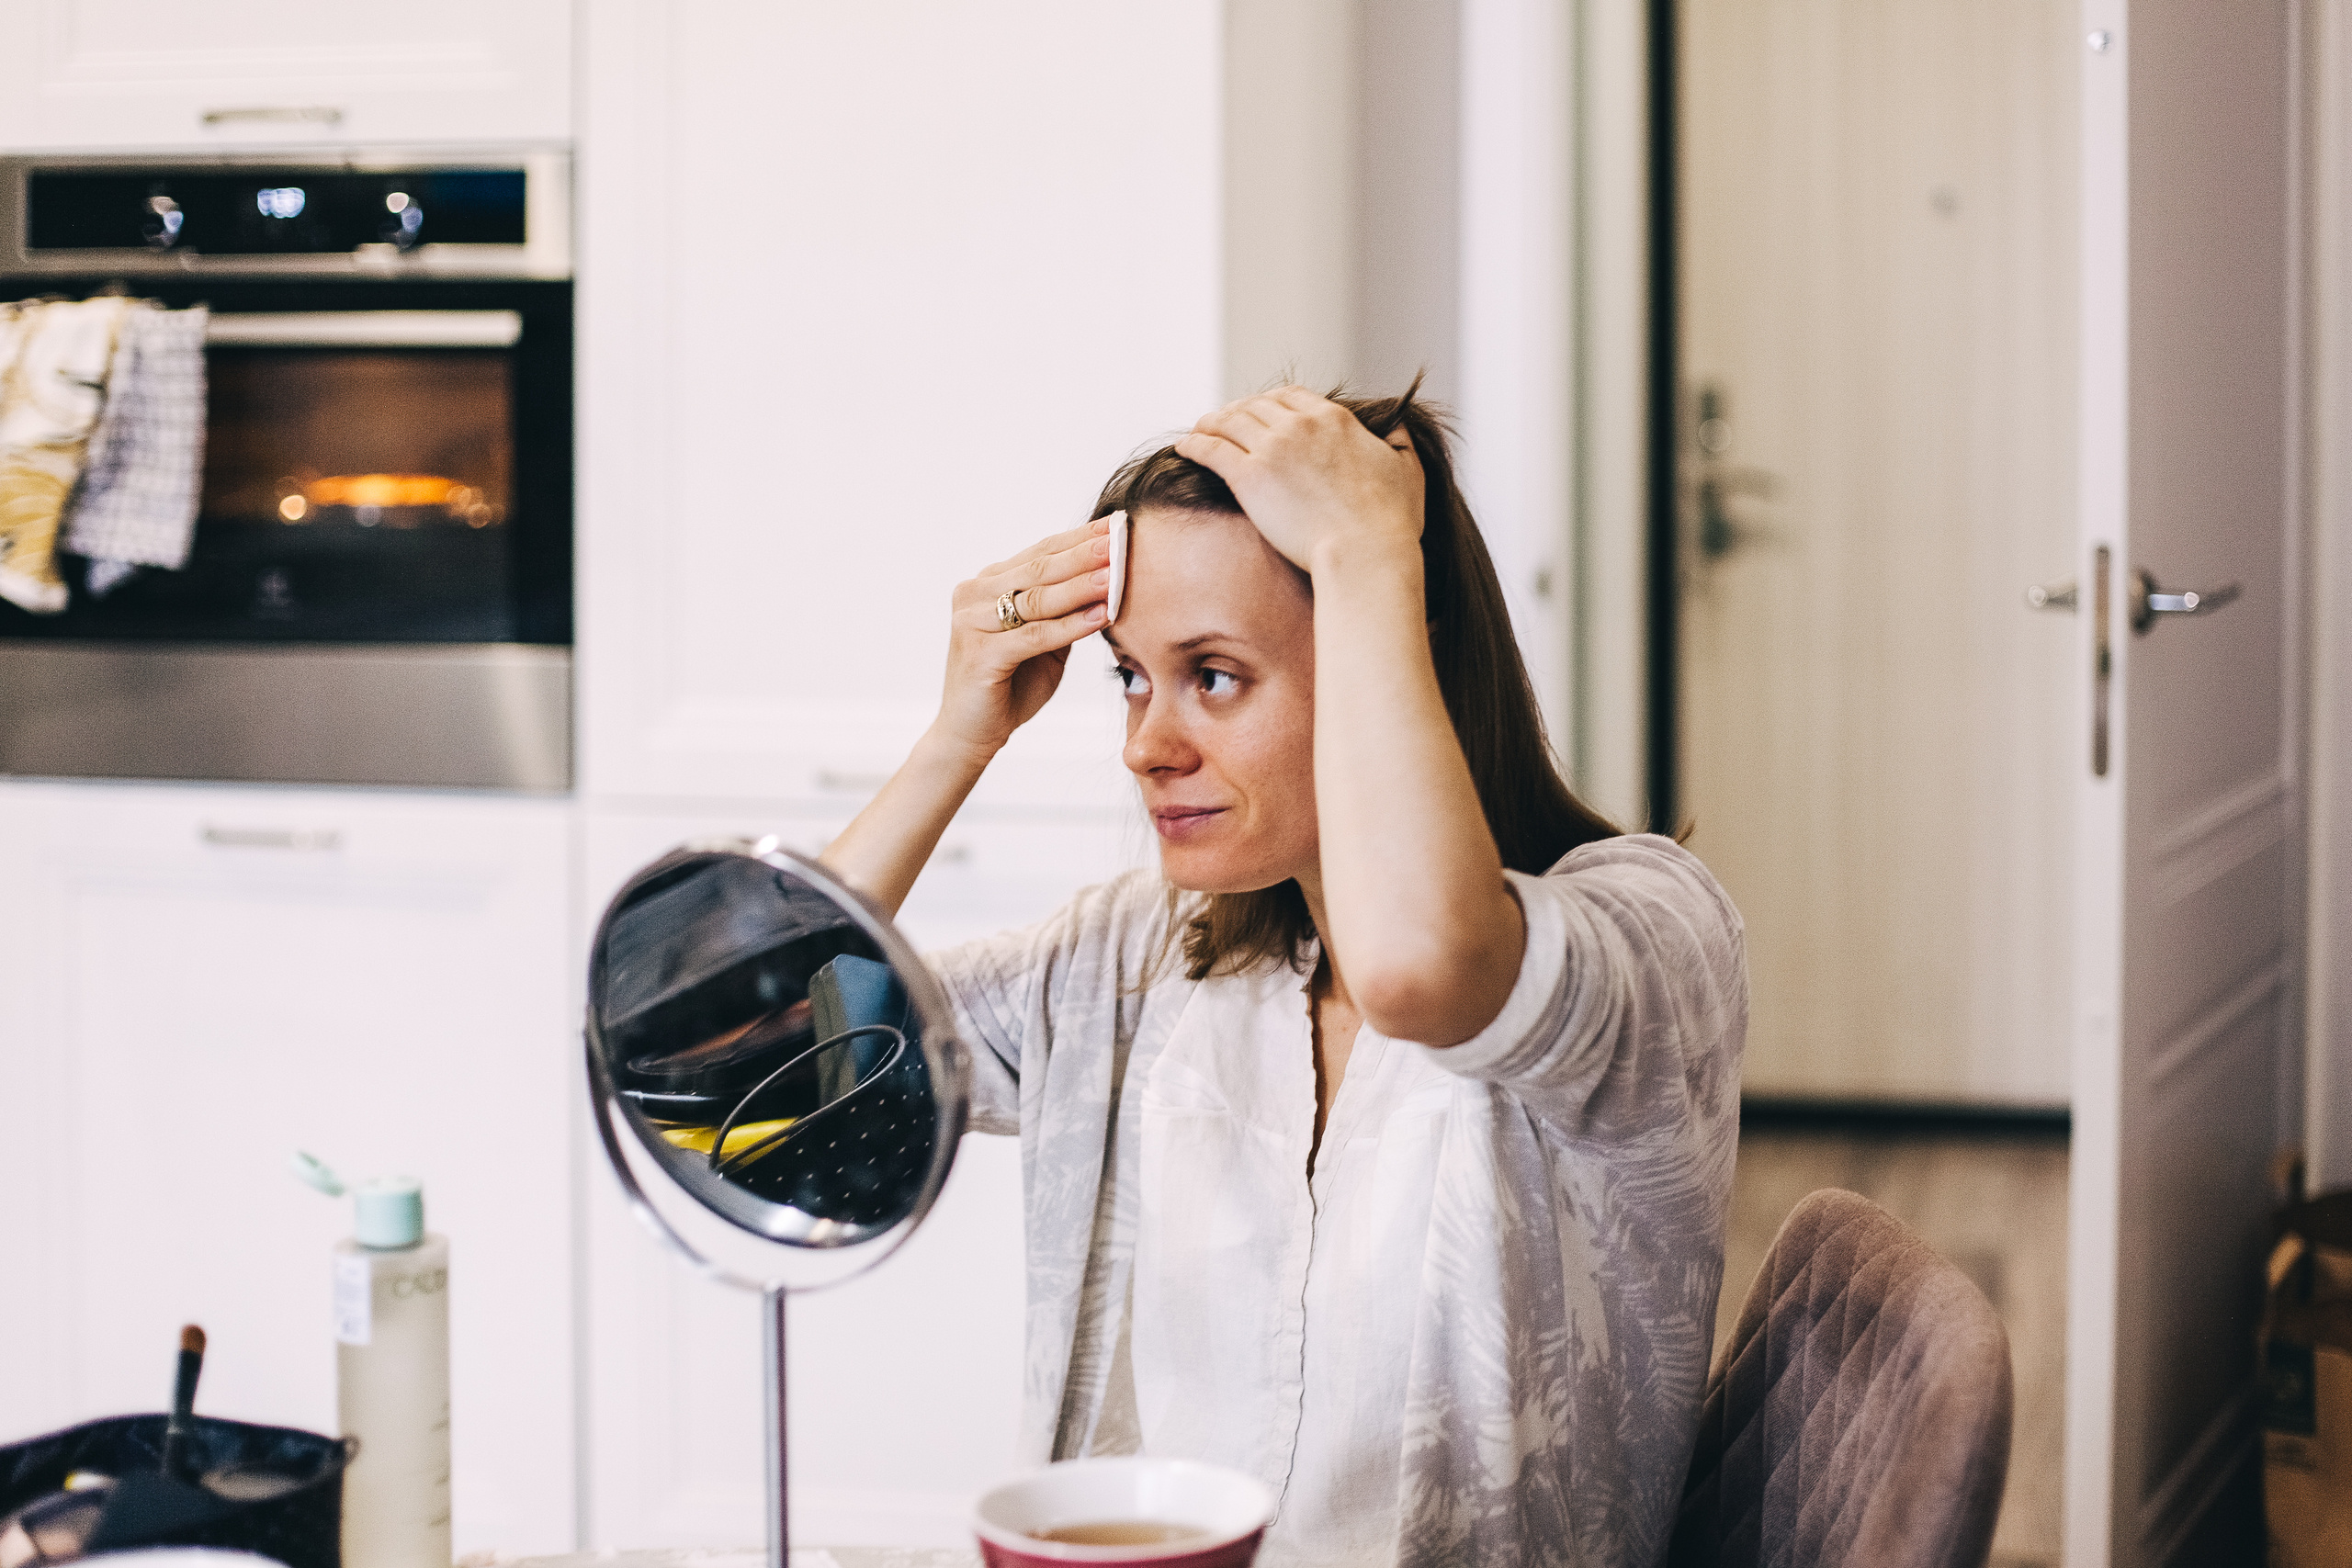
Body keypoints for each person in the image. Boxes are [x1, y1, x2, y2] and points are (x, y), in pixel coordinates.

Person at [821, 384, 1746, 1568]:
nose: (1145, 746)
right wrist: (957, 737)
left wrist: (1367, 550)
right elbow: (758, 1075)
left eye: (1214, 675)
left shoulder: (1650, 933)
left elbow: (1421, 969)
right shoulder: (1142, 963)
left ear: (1393, 648)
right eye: (1131, 678)